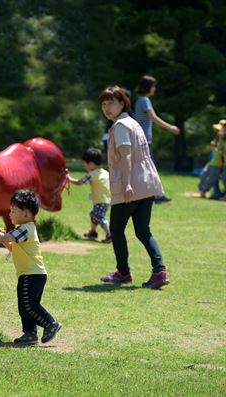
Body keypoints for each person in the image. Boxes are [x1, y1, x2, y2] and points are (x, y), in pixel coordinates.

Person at [98, 85, 169, 289]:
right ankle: (159, 271)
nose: (107, 108)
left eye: (111, 102)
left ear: (122, 103)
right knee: (143, 231)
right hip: (147, 183)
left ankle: (123, 272)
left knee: (117, 229)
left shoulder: (120, 126)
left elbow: (127, 155)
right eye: (104, 104)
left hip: (131, 185)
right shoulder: (133, 122)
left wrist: (127, 184)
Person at [0, 189, 62, 346]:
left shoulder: (25, 228)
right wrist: (2, 240)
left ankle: (50, 324)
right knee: (24, 306)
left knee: (29, 305)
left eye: (14, 210)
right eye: (10, 210)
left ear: (27, 215)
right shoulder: (23, 230)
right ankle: (30, 334)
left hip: (32, 275)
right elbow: (12, 246)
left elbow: (6, 237)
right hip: (30, 275)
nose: (10, 213)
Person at [133, 75, 180, 203]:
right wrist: (170, 127)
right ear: (148, 87)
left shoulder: (140, 100)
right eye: (153, 86)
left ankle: (151, 195)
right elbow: (153, 117)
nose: (154, 89)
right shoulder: (144, 101)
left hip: (141, 140)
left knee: (145, 169)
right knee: (150, 169)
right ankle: (157, 196)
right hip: (144, 141)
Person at [67, 147, 111, 243]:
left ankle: (109, 234)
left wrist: (69, 178)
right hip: (107, 200)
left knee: (100, 217)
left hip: (100, 200)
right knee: (93, 214)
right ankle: (93, 232)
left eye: (85, 164)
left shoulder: (92, 174)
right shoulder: (105, 172)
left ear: (90, 163)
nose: (85, 166)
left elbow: (79, 182)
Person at [198, 120, 225, 200]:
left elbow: (221, 150)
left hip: (219, 163)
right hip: (213, 162)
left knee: (213, 178)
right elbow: (215, 150)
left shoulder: (222, 140)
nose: (218, 132)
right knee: (204, 175)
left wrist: (219, 139)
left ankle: (210, 193)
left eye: (220, 130)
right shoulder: (218, 139)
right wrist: (214, 144)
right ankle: (207, 192)